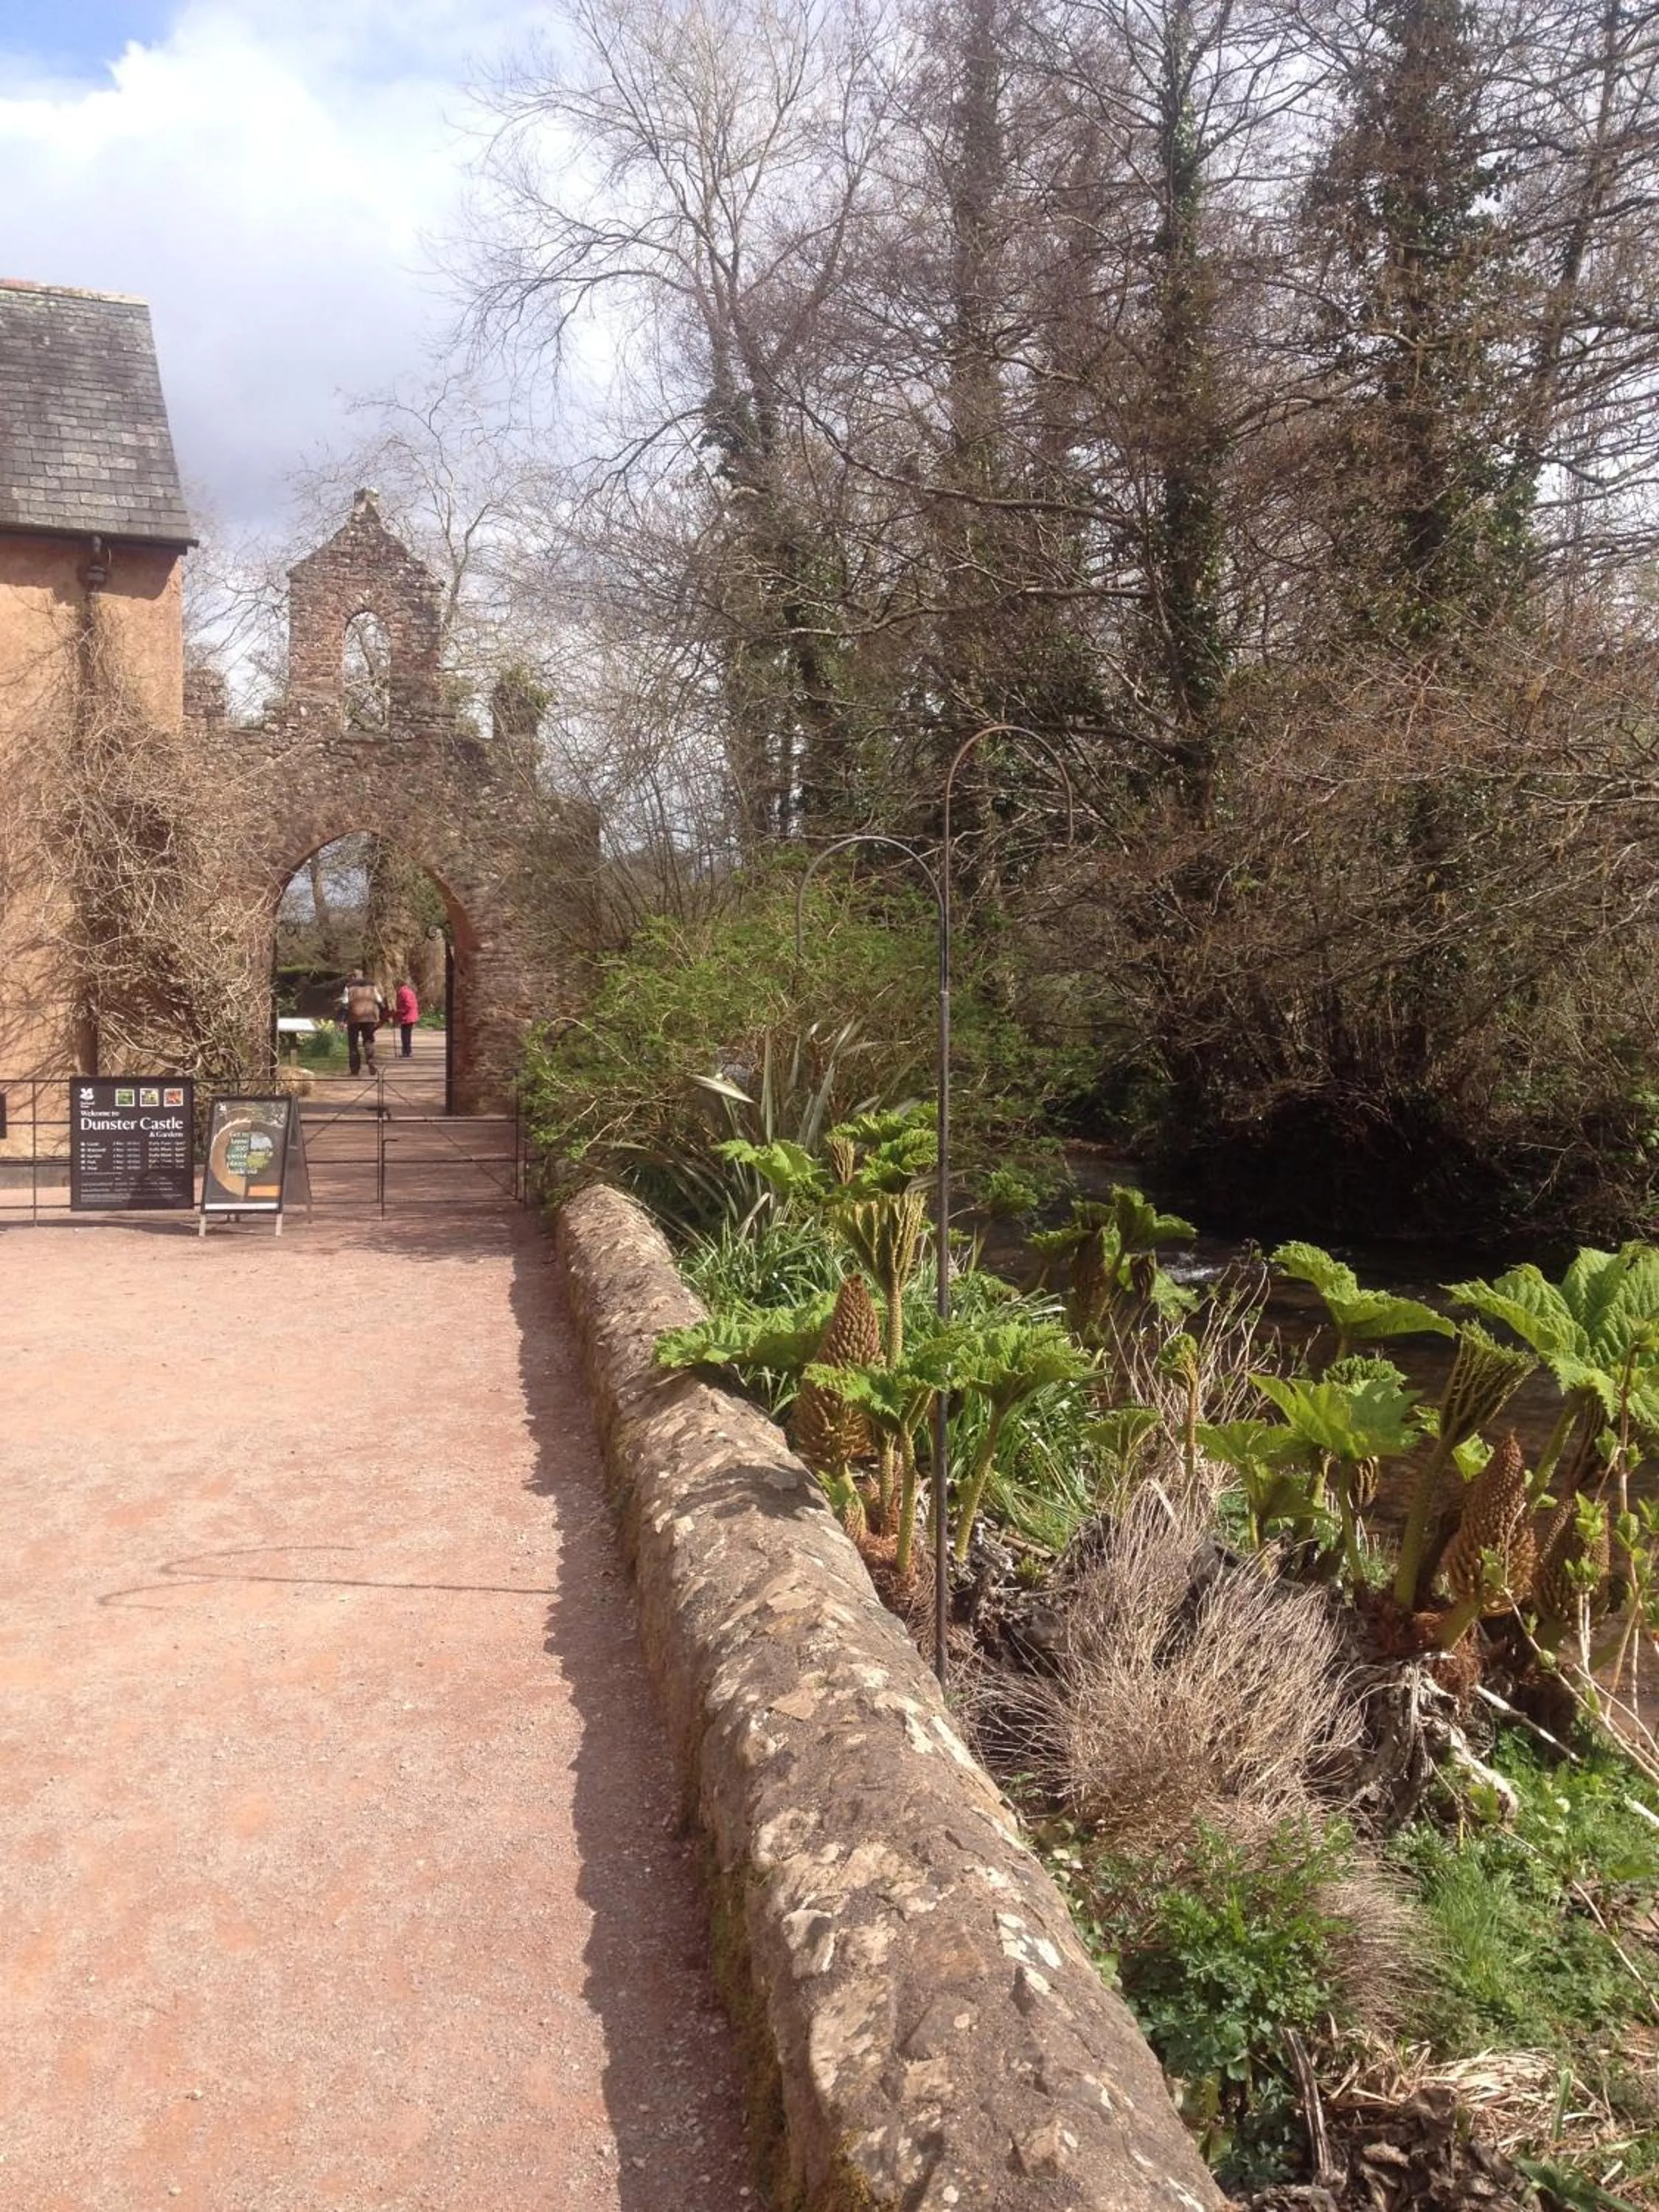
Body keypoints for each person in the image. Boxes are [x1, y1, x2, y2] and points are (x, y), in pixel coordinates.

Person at [337, 970, 388, 1075]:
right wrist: (384, 1017)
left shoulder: (349, 988)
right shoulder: (372, 987)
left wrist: (342, 1020)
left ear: (353, 977)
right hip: (370, 1018)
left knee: (353, 1044)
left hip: (354, 1018)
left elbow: (345, 1006)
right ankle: (370, 1059)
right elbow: (380, 1003)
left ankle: (355, 1069)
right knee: (369, 1040)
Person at [393, 978, 420, 1058]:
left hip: (408, 1016)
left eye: (395, 986)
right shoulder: (405, 991)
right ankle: (406, 1051)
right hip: (407, 1016)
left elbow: (409, 1005)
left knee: (405, 1035)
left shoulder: (404, 992)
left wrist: (400, 1011)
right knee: (405, 1035)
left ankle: (407, 1052)